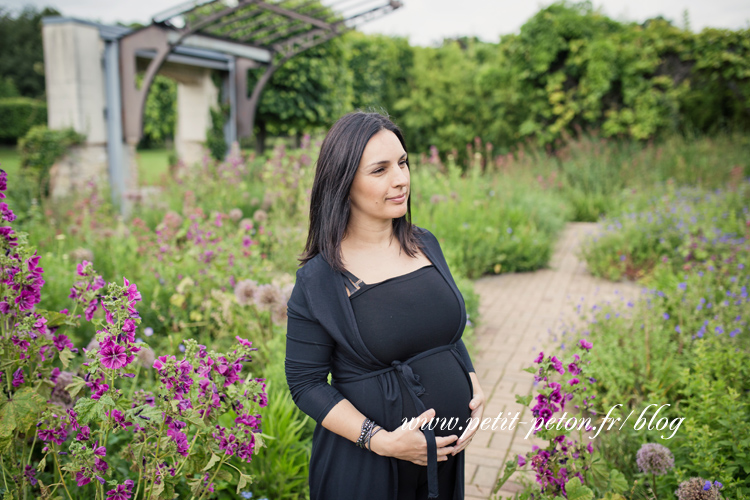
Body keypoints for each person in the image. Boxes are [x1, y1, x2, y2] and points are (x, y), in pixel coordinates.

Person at [285, 111, 485, 500]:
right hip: (367, 470)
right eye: (380, 170)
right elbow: (305, 383)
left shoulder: (424, 243)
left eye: (403, 162)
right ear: (343, 183)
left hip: (441, 463)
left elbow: (440, 332)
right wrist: (380, 441)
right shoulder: (321, 279)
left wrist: (470, 377)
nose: (401, 179)